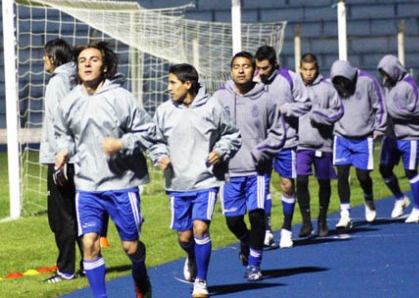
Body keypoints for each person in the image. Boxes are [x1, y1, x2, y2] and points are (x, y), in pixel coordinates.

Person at [54, 41, 161, 298]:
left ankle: (139, 272)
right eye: (82, 60)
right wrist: (63, 150)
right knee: (89, 244)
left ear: (105, 67)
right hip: (87, 186)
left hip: (121, 185)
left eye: (94, 60)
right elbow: (63, 135)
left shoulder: (121, 98)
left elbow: (150, 133)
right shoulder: (69, 102)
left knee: (131, 247)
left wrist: (121, 143)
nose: (87, 64)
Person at [150, 64, 241, 297]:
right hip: (178, 183)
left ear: (187, 84)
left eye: (172, 83)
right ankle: (191, 256)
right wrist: (160, 156)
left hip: (206, 181)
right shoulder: (163, 111)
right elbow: (154, 141)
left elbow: (232, 134)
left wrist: (220, 151)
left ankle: (201, 280)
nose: (168, 88)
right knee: (185, 236)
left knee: (200, 229)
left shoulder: (212, 106)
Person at [213, 52, 286, 281]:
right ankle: (244, 240)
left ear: (254, 71)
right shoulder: (218, 98)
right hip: (229, 171)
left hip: (257, 171)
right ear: (231, 70)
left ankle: (254, 264)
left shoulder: (266, 99)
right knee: (233, 220)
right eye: (236, 66)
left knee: (257, 215)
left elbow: (278, 132)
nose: (241, 70)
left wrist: (262, 151)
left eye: (246, 66)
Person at [254, 45, 311, 248]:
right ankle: (267, 230)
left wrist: (285, 108)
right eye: (258, 67)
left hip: (287, 143)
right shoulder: (253, 81)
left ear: (275, 65)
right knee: (262, 188)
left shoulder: (290, 78)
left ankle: (286, 230)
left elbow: (306, 104)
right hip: (262, 145)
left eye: (265, 68)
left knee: (287, 185)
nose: (260, 72)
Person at [39, 38, 84, 283]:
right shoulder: (74, 79)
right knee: (79, 213)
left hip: (61, 157)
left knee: (61, 217)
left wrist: (59, 158)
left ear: (53, 58)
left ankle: (65, 270)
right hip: (77, 156)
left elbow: (60, 121)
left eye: (45, 56)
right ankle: (90, 262)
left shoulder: (57, 82)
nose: (43, 60)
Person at [330, 59, 387, 230]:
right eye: (337, 81)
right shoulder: (332, 86)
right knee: (342, 175)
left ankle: (368, 197)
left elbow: (380, 105)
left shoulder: (368, 81)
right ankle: (345, 214)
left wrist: (379, 127)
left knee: (363, 176)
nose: (341, 85)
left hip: (363, 136)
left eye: (343, 81)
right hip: (341, 136)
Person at [295, 53, 343, 237]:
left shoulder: (328, 88)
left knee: (324, 182)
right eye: (305, 69)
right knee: (301, 180)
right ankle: (306, 222)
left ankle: (322, 219)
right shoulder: (295, 87)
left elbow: (338, 111)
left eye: (312, 69)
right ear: (300, 68)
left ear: (317, 69)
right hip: (300, 144)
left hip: (323, 143)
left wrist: (321, 116)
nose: (308, 73)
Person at [377, 55, 419, 223]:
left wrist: (393, 110)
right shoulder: (387, 84)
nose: (385, 77)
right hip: (391, 134)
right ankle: (400, 198)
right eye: (383, 74)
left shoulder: (409, 85)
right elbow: (384, 107)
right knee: (384, 168)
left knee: (410, 171)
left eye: (386, 73)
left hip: (409, 134)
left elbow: (416, 111)